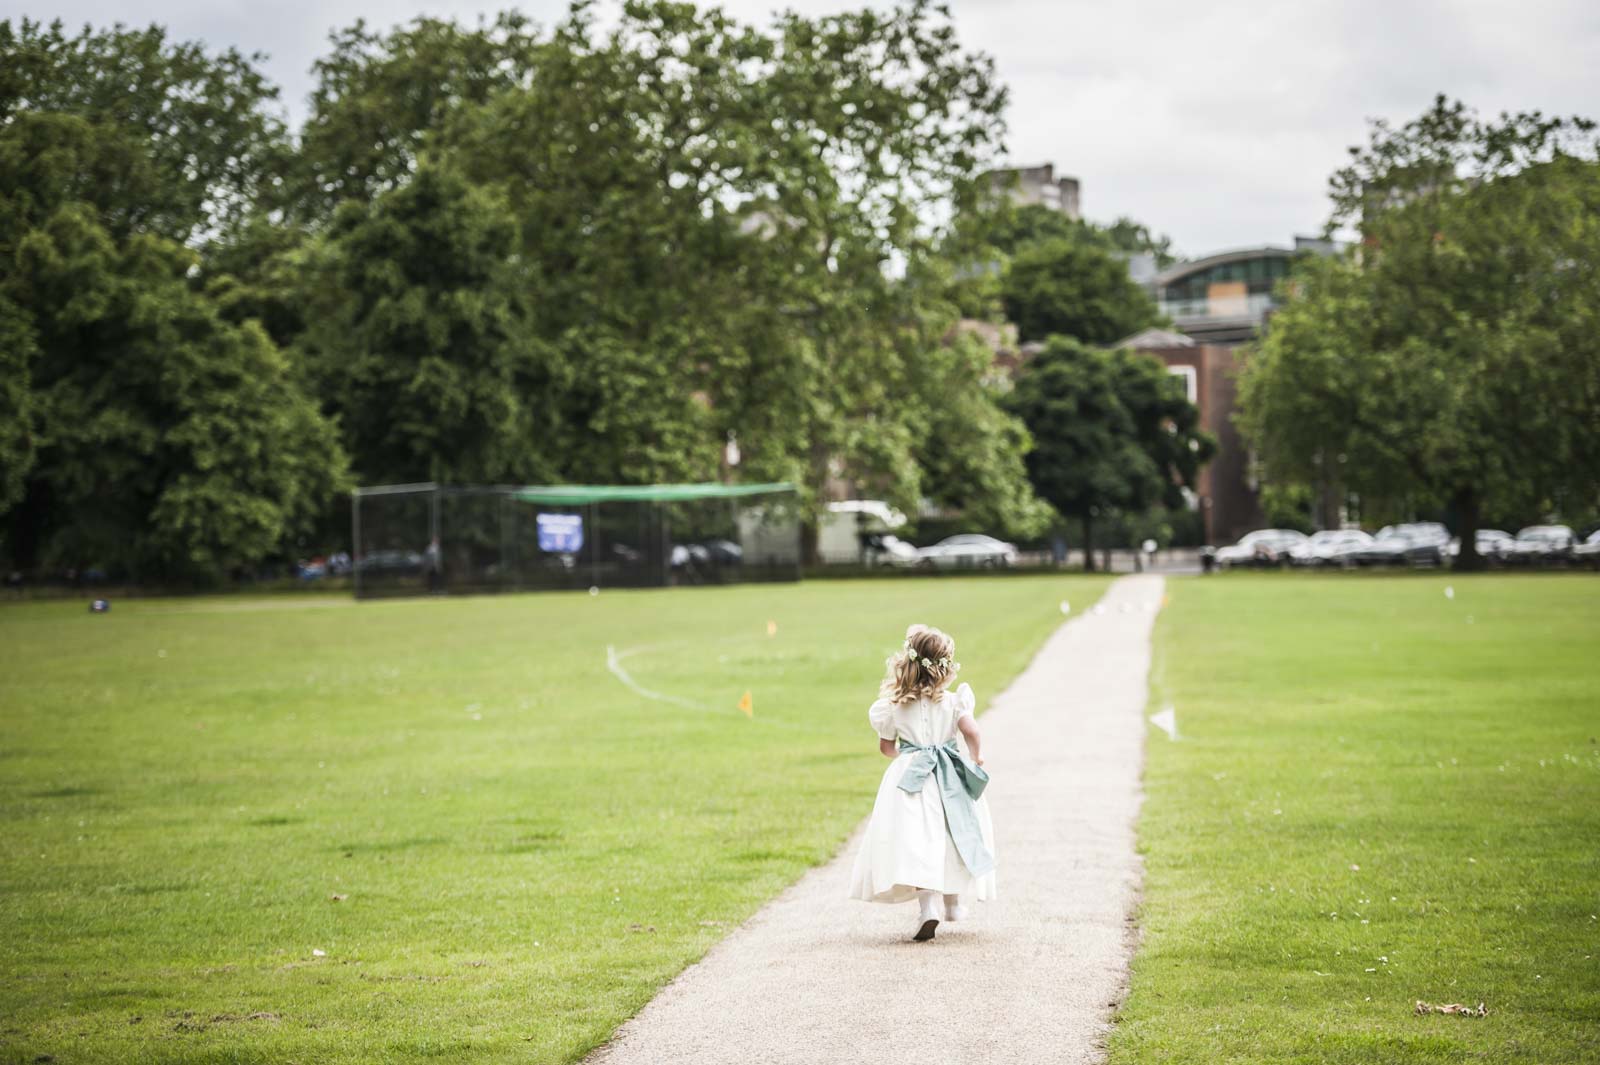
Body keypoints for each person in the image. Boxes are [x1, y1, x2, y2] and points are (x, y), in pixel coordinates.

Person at [847, 624, 996, 941]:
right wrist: (977, 755)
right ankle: (954, 906)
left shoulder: (893, 705)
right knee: (953, 835)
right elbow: (972, 731)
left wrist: (909, 754)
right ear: (944, 667)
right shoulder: (955, 702)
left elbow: (886, 748)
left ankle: (928, 908)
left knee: (917, 841)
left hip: (911, 780)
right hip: (949, 777)